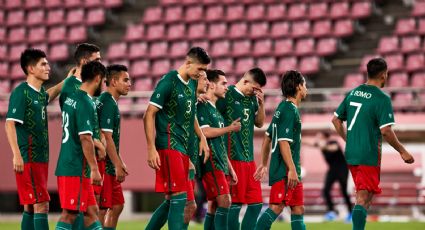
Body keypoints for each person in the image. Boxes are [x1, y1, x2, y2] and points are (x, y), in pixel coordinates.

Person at [332, 57, 414, 230]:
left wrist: (349, 140)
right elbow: (386, 131)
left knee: (366, 198)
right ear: (384, 75)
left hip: (352, 153)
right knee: (362, 198)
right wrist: (402, 151)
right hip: (368, 153)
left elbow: (336, 120)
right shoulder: (382, 99)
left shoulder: (353, 92)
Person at [143, 47, 211, 230]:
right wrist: (151, 149)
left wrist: (201, 138)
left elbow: (191, 115)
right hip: (168, 144)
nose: (202, 73)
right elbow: (149, 114)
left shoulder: (191, 84)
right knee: (180, 198)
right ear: (188, 63)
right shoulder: (169, 81)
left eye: (204, 70)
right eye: (200, 69)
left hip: (183, 149)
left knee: (177, 200)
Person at [5, 48, 65, 230]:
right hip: (28, 158)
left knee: (30, 206)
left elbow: (49, 95)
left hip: (40, 159)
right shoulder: (21, 93)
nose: (48, 67)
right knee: (42, 204)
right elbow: (9, 124)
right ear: (31, 69)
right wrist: (17, 155)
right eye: (43, 64)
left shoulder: (38, 94)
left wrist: (67, 81)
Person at [55, 61, 107, 230]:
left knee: (91, 211)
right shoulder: (85, 102)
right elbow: (85, 137)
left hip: (70, 163)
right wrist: (94, 168)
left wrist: (96, 143)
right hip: (75, 166)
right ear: (98, 78)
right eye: (104, 81)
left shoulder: (71, 98)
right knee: (69, 214)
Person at [254, 70, 308, 230]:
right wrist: (291, 169)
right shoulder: (289, 110)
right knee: (276, 206)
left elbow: (267, 137)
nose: (306, 88)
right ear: (298, 87)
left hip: (291, 170)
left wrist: (264, 164)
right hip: (286, 170)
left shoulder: (282, 107)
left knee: (298, 208)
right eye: (305, 84)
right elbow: (283, 142)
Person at [215, 67, 267, 230]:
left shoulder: (252, 99)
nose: (255, 92)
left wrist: (261, 103)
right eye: (254, 88)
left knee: (256, 204)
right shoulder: (226, 94)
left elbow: (259, 123)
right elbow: (211, 109)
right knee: (234, 205)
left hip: (249, 159)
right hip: (232, 157)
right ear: (245, 81)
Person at [198, 69, 240, 230]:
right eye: (223, 83)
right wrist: (229, 128)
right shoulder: (202, 106)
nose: (226, 87)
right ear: (212, 85)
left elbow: (220, 143)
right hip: (211, 162)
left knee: (214, 204)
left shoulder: (216, 111)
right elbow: (205, 132)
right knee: (225, 201)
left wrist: (231, 168)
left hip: (220, 163)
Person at [97, 64, 131, 229]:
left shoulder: (108, 101)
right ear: (113, 81)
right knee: (102, 209)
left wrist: (120, 161)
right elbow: (107, 136)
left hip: (111, 163)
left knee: (117, 205)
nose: (129, 83)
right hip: (105, 165)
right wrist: (117, 164)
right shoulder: (107, 102)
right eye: (125, 80)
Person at [183, 70, 209, 229]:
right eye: (205, 79)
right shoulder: (186, 98)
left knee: (182, 203)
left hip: (192, 157)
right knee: (181, 203)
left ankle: (197, 218)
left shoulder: (194, 101)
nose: (207, 83)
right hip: (181, 155)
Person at [314, 132, 352, 222]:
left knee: (344, 191)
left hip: (342, 169)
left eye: (320, 137)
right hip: (332, 170)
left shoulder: (333, 142)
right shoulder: (320, 145)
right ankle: (332, 212)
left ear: (325, 137)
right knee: (326, 190)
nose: (318, 139)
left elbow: (333, 148)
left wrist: (323, 146)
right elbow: (309, 143)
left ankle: (350, 214)